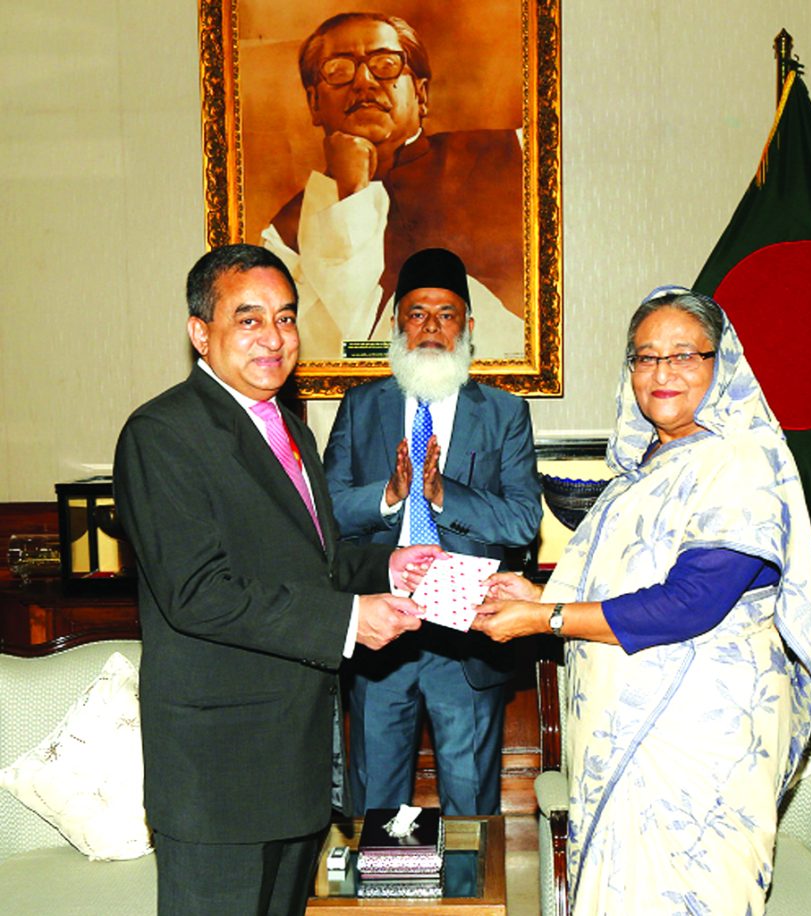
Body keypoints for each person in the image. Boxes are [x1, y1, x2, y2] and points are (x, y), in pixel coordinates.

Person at [113, 243, 442, 916]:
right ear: (200, 332)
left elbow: (305, 561)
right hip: (220, 775)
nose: (274, 337)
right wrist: (347, 621)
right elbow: (197, 593)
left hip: (294, 766)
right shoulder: (163, 433)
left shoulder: (289, 428)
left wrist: (387, 565)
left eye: (286, 318)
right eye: (249, 318)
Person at [472, 287, 811, 913]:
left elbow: (690, 602)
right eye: (645, 357)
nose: (662, 373)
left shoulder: (740, 460)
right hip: (625, 727)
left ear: (724, 365)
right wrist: (539, 593)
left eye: (685, 355)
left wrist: (543, 618)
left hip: (695, 736)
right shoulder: (649, 462)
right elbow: (627, 576)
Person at [323, 247, 543, 815]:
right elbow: (322, 519)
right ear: (396, 322)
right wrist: (389, 497)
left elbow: (522, 521)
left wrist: (443, 494)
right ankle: (380, 906)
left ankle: (469, 901)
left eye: (446, 315)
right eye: (417, 313)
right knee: (376, 810)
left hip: (466, 639)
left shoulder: (503, 414)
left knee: (470, 809)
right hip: (379, 635)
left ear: (468, 326)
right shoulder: (359, 407)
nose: (431, 328)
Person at [262, 11, 524, 360]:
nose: (364, 82)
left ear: (421, 93)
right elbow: (318, 349)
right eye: (339, 70)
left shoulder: (514, 156)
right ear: (314, 103)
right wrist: (352, 193)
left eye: (385, 64)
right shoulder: (287, 232)